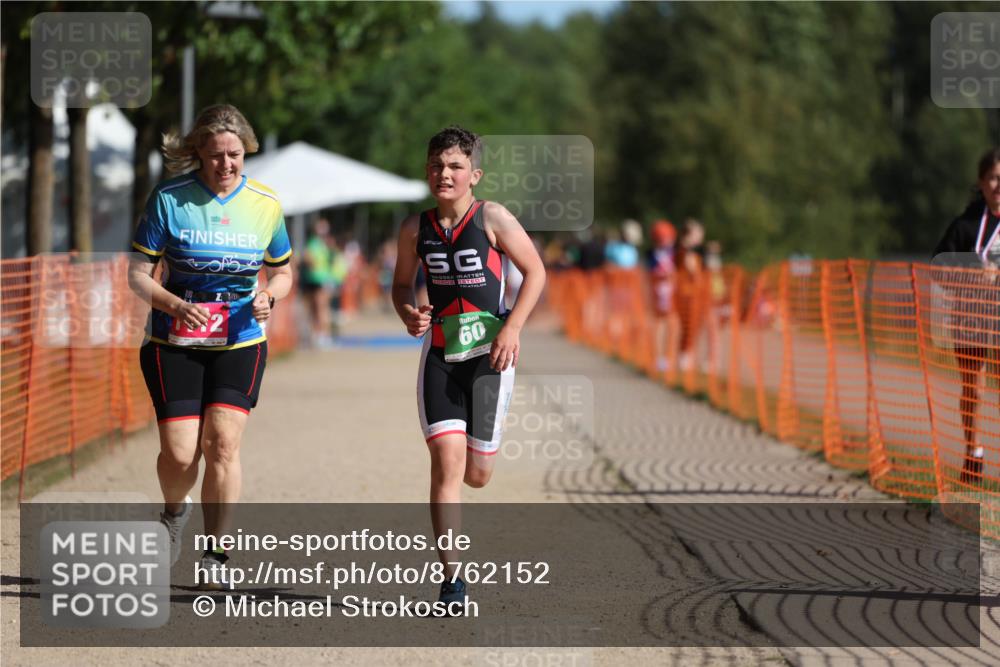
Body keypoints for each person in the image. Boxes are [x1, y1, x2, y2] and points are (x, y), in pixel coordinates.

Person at [128, 104, 293, 587]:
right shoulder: (169, 199)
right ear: (198, 152)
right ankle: (174, 513)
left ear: (248, 152)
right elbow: (138, 275)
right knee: (181, 455)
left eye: (236, 155)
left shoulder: (265, 203)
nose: (226, 164)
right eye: (217, 155)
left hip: (240, 339)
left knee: (222, 443)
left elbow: (283, 270)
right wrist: (176, 306)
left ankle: (217, 553)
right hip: (174, 339)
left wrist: (268, 296)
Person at [391, 126, 545, 611]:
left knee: (478, 474)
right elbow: (400, 285)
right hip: (439, 356)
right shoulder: (415, 229)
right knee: (446, 466)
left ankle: (481, 460)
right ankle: (452, 582)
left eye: (456, 167)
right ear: (426, 171)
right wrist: (407, 311)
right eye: (437, 166)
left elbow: (537, 272)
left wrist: (512, 328)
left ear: (473, 175)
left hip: (491, 359)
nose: (445, 174)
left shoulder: (493, 218)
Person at [933, 147, 1000, 484]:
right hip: (971, 316)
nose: (999, 185)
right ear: (981, 182)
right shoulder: (965, 225)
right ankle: (973, 453)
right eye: (993, 178)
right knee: (974, 388)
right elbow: (939, 267)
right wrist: (975, 270)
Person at [647, 220, 680, 374]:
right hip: (661, 293)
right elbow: (653, 273)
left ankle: (667, 357)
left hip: (670, 292)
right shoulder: (655, 254)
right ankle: (661, 358)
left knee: (671, 324)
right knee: (663, 324)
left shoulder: (673, 253)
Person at [301, 218, 336, 347]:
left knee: (318, 308)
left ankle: (321, 335)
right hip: (318, 279)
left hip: (317, 279)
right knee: (319, 308)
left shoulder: (317, 243)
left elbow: (307, 258)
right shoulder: (320, 244)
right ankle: (320, 335)